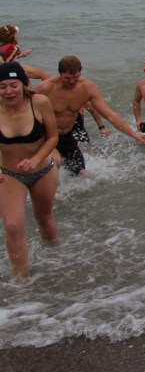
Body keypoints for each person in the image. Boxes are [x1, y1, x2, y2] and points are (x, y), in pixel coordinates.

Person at [34, 56, 145, 175]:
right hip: (47, 136)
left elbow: (109, 115)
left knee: (80, 174)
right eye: (67, 78)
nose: (72, 82)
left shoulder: (87, 88)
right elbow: (25, 110)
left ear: (80, 72)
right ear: (60, 73)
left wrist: (134, 134)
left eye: (75, 77)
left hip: (67, 136)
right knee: (55, 163)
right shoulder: (45, 88)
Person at [0, 61, 60, 278]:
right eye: (2, 86)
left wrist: (35, 160)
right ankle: (21, 281)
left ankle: (55, 257)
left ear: (24, 85)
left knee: (43, 218)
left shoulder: (39, 102)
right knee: (13, 225)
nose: (8, 91)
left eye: (13, 85)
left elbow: (53, 137)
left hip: (42, 171)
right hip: (9, 174)